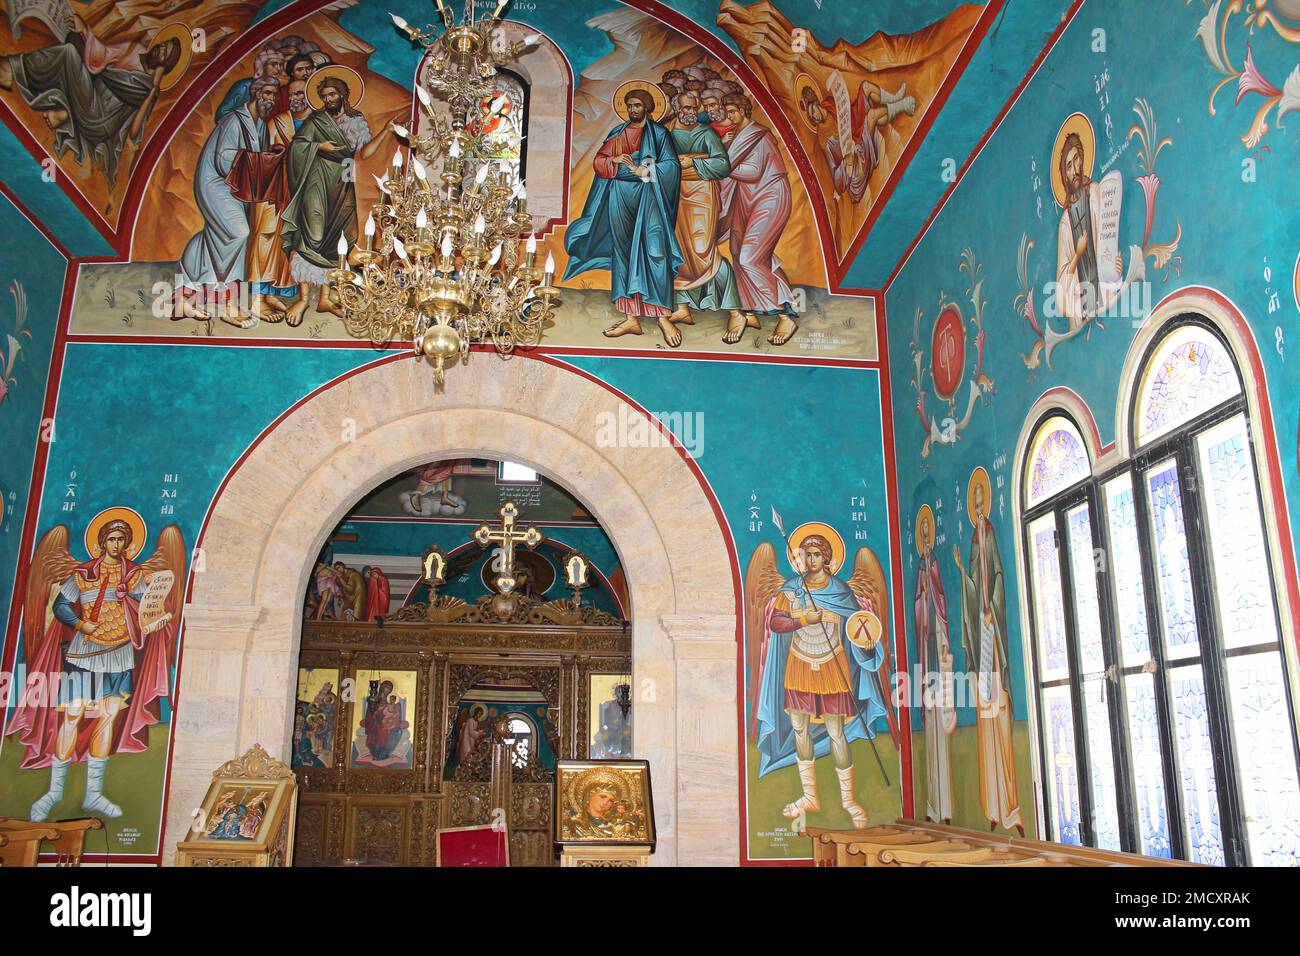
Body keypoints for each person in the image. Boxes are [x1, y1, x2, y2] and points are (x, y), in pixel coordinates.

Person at [12, 519, 179, 822]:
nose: (116, 544)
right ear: (102, 542)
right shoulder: (82, 575)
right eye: (111, 538)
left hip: (120, 655)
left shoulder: (137, 576)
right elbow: (62, 606)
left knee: (107, 719)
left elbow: (147, 610)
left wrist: (157, 621)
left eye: (121, 539)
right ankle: (54, 791)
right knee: (72, 716)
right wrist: (79, 623)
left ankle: (93, 794)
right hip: (85, 652)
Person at [755, 534, 886, 827]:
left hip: (832, 664)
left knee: (835, 730)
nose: (811, 560)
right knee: (799, 727)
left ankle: (849, 800)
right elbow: (776, 623)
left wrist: (865, 644)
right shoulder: (792, 589)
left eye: (816, 554)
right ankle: (810, 796)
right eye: (807, 554)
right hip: (799, 662)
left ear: (827, 558)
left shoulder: (840, 591)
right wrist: (803, 620)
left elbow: (857, 628)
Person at [0, 14, 181, 190]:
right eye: (163, 44)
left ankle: (10, 70)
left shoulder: (146, 87)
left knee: (69, 54)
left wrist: (151, 93)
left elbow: (134, 133)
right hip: (91, 93)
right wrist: (85, 31)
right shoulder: (136, 49)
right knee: (74, 40)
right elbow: (103, 54)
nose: (160, 48)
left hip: (99, 118)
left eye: (165, 53)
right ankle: (66, 112)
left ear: (164, 66)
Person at [563, 87, 684, 345]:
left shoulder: (660, 134)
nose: (633, 110)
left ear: (648, 107)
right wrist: (614, 160)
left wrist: (645, 170)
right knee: (624, 253)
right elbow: (600, 162)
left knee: (655, 250)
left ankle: (662, 316)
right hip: (620, 196)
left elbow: (672, 167)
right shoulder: (617, 133)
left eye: (638, 105)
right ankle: (631, 318)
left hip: (649, 196)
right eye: (629, 105)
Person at [279, 74, 394, 326]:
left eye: (332, 94)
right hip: (318, 180)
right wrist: (319, 147)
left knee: (340, 236)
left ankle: (325, 297)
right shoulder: (317, 120)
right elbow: (297, 146)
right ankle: (303, 297)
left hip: (343, 181)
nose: (328, 100)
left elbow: (363, 152)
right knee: (313, 234)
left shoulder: (356, 121)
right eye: (324, 96)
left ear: (342, 94)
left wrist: (386, 132)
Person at [174, 76, 279, 325]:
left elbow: (256, 157)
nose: (271, 99)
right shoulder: (235, 120)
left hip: (238, 188)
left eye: (274, 94)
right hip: (217, 184)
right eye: (266, 92)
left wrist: (267, 158)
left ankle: (183, 298)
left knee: (212, 237)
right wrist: (258, 161)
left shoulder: (260, 125)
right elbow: (224, 159)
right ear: (254, 93)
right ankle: (229, 304)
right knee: (239, 233)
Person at [953, 468, 1024, 835]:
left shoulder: (991, 535)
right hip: (981, 628)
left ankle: (1010, 804)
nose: (978, 507)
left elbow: (996, 576)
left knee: (998, 710)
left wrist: (989, 606)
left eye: (981, 501)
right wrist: (965, 572)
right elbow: (973, 585)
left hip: (991, 627)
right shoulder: (973, 542)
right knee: (984, 713)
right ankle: (994, 806)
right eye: (975, 503)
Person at [717, 93, 799, 345]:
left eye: (732, 111)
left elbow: (752, 172)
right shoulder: (734, 138)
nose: (728, 116)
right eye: (726, 112)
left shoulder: (760, 135)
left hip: (770, 197)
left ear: (744, 111)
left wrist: (720, 161)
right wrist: (724, 148)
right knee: (738, 253)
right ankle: (749, 310)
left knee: (750, 256)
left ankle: (786, 315)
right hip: (745, 199)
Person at [667, 89, 746, 339]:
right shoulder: (666, 132)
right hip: (675, 196)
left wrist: (693, 163)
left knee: (704, 251)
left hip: (702, 197)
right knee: (679, 250)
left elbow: (723, 164)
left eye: (694, 108)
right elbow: (659, 163)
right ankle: (682, 307)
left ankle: (735, 312)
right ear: (675, 107)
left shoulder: (706, 133)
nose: (691, 113)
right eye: (686, 108)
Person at [799, 78, 915, 204]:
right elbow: (837, 183)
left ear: (816, 104)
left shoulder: (829, 103)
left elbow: (848, 115)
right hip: (857, 160)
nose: (814, 117)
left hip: (856, 131)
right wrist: (844, 163)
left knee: (866, 87)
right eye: (811, 117)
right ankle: (902, 105)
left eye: (812, 111)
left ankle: (895, 98)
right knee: (871, 116)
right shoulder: (824, 139)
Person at [913, 507, 955, 824]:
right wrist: (922, 594)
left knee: (941, 734)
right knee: (930, 738)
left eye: (928, 534)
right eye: (922, 535)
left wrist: (931, 591)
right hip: (928, 666)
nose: (926, 540)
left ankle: (945, 808)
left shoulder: (935, 568)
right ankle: (932, 805)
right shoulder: (920, 574)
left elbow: (940, 603)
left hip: (938, 663)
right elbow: (920, 607)